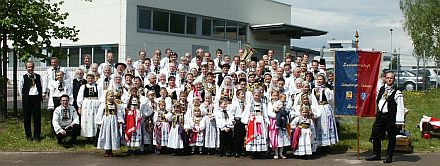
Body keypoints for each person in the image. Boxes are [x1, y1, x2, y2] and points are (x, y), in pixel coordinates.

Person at [366, 71, 405, 163]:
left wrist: (399, 121)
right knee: (375, 134)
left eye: (391, 78)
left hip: (390, 117)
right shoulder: (382, 89)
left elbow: (400, 106)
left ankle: (389, 156)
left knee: (391, 136)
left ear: (394, 79)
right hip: (380, 116)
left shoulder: (397, 92)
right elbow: (377, 100)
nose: (389, 79)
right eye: (387, 78)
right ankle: (376, 154)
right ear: (384, 78)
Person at [20, 61, 43, 141]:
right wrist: (24, 97)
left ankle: (37, 136)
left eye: (31, 67)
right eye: (29, 67)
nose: (30, 68)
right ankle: (28, 136)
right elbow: (20, 88)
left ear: (34, 67)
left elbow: (41, 86)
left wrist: (41, 95)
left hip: (36, 98)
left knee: (37, 118)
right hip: (27, 99)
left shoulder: (38, 76)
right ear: (26, 68)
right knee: (27, 118)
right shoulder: (23, 77)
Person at [96, 90, 124, 157]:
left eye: (113, 96)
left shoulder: (116, 105)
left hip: (113, 122)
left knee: (112, 135)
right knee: (106, 135)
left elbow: (119, 113)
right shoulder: (103, 105)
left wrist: (120, 121)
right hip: (106, 122)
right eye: (110, 96)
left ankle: (111, 150)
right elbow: (99, 114)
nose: (112, 97)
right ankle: (107, 150)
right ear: (107, 97)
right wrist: (99, 122)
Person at [77, 74, 101, 139]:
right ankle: (87, 135)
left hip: (95, 104)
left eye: (91, 78)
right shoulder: (83, 87)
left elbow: (100, 96)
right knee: (86, 119)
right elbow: (79, 97)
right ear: (86, 79)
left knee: (94, 119)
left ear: (94, 79)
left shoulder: (97, 86)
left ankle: (95, 135)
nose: (90, 80)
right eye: (88, 78)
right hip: (86, 105)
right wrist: (79, 107)